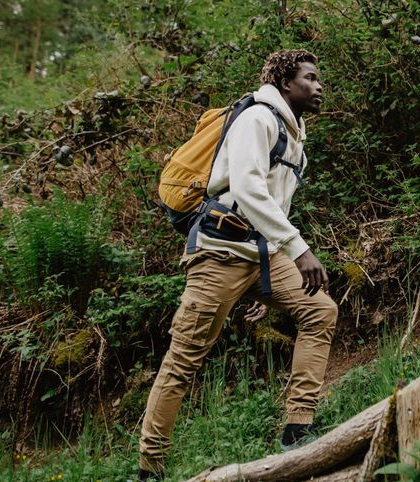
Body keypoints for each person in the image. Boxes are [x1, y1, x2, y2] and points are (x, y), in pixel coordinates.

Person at [137, 49, 336, 481]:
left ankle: (298, 427)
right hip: (221, 252)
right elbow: (246, 189)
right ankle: (149, 467)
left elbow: (272, 204)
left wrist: (266, 278)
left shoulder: (294, 135)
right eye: (311, 78)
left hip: (262, 256)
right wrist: (299, 249)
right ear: (286, 83)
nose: (319, 86)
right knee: (184, 358)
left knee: (320, 309)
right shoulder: (258, 119)